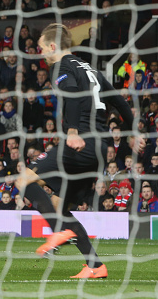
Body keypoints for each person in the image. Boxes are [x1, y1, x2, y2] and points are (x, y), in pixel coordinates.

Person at [18, 24, 144, 279]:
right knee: (59, 204)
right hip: (101, 149)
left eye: (42, 48)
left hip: (82, 143)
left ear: (53, 47)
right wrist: (132, 133)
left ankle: (57, 230)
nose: (41, 53)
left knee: (24, 179)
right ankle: (95, 266)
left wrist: (73, 131)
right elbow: (119, 101)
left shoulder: (60, 67)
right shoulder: (91, 69)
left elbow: (73, 96)